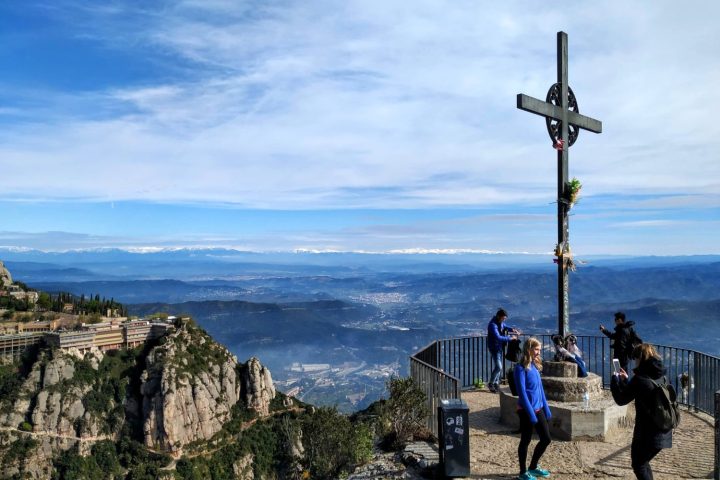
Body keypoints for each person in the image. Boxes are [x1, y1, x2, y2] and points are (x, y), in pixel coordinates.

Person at [610, 343, 672, 480]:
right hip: (664, 428)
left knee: (639, 464)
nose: (634, 362)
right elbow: (642, 392)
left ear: (640, 359)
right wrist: (627, 380)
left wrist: (614, 380)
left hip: (647, 433)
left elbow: (621, 399)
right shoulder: (660, 375)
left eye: (635, 359)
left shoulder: (639, 379)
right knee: (643, 463)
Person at [513, 337, 552, 480]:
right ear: (528, 349)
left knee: (546, 439)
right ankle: (523, 472)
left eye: (539, 350)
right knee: (525, 440)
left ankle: (533, 467)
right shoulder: (520, 368)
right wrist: (531, 414)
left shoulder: (535, 366)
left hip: (538, 408)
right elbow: (522, 393)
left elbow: (540, 390)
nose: (538, 352)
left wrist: (546, 409)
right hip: (526, 411)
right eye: (536, 349)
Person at [487, 308, 519, 393]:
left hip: (499, 347)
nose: (504, 320)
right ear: (499, 316)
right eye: (503, 318)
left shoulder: (500, 323)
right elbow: (498, 337)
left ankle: (496, 383)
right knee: (499, 367)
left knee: (498, 367)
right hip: (494, 348)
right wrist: (510, 338)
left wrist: (512, 329)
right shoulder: (492, 325)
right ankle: (491, 383)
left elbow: (505, 326)